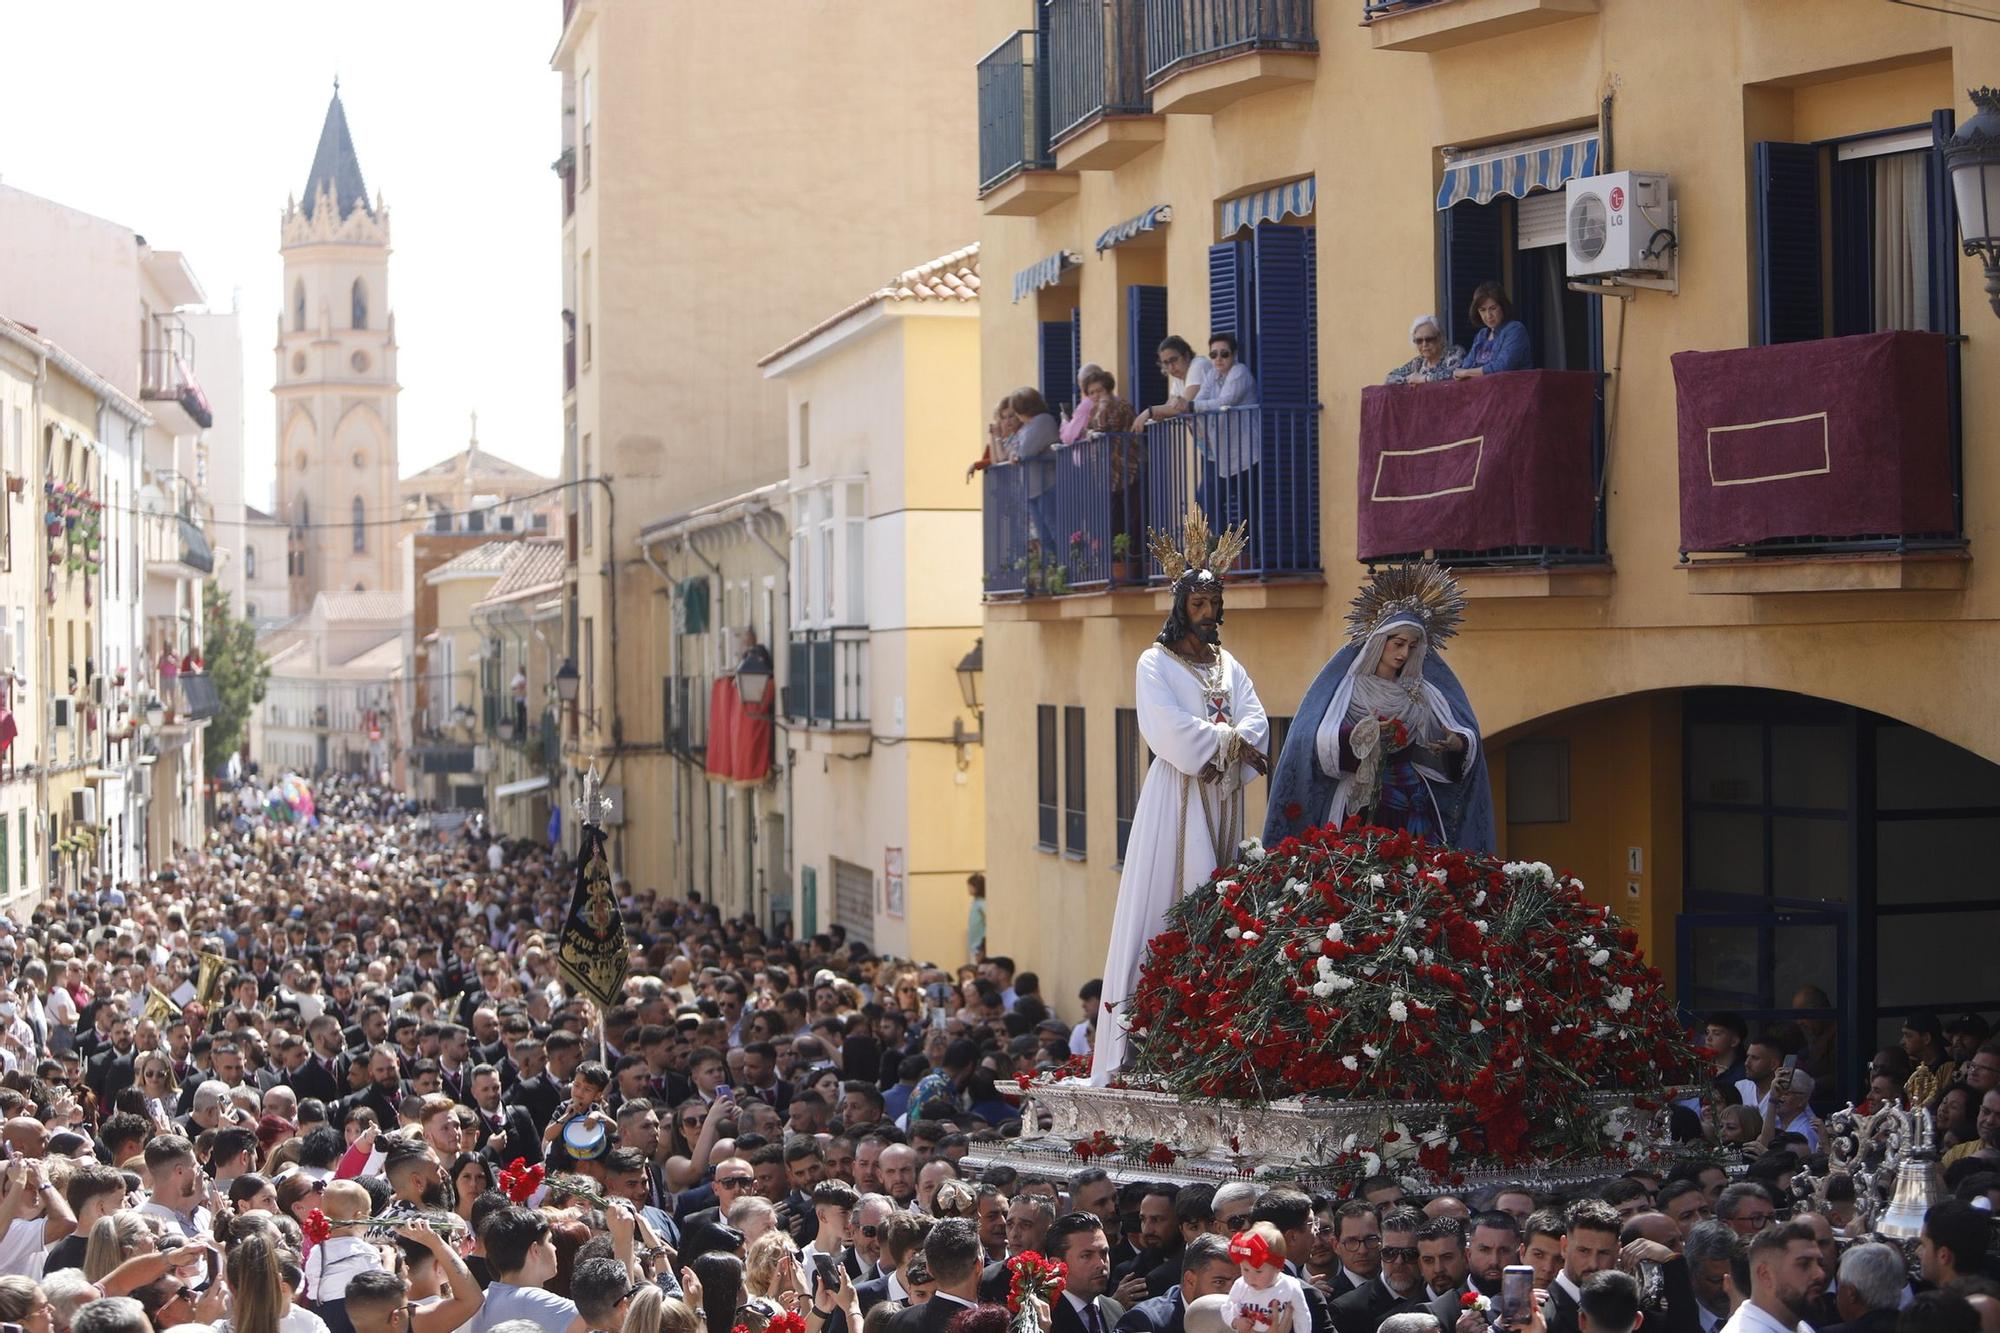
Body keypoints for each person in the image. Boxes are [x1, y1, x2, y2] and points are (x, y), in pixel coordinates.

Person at [1089, 511, 1269, 1085]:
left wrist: (1237, 742)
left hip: (1222, 797)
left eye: (1214, 603)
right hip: (1179, 794)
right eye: (1199, 604)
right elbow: (1166, 728)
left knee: (1223, 894)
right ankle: (1153, 1026)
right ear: (1180, 606)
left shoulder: (1228, 663)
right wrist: (1228, 745)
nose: (1209, 612)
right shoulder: (1154, 662)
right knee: (1172, 889)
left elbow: (1256, 718)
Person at [1265, 562, 1494, 851]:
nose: (1403, 653)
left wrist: (1455, 743)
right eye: (1397, 643)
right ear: (1378, 642)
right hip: (1359, 802)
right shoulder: (1348, 688)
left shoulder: (1420, 693)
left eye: (1411, 647)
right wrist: (1365, 733)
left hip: (1413, 800)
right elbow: (1313, 740)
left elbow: (1450, 736)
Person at [1720, 1220, 1823, 1333]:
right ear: (1766, 1275)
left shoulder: (1800, 1327)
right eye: (1804, 1264)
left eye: (1819, 1262)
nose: (1819, 1274)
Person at [1221, 1224, 1308, 1333]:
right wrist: (1235, 1322)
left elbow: (1302, 1315)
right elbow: (1226, 1307)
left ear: (1277, 1268)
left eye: (1258, 1271)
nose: (1250, 1277)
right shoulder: (1241, 1285)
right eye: (1245, 1269)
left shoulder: (1290, 1286)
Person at [1452, 283, 1531, 378]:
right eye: (1482, 310)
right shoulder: (1482, 335)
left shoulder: (1515, 330)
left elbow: (1502, 366)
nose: (1488, 315)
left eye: (1493, 308)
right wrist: (1463, 372)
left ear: (1503, 307)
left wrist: (1466, 373)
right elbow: (1466, 365)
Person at [1134, 337, 1211, 428]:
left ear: (1186, 356)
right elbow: (1169, 406)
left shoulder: (1199, 365)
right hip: (1206, 436)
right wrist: (1161, 412)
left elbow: (1183, 405)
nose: (1170, 367)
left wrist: (1150, 411)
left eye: (1173, 360)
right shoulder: (1179, 378)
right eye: (1166, 363)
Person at [1385, 316, 1463, 385]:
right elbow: (1390, 378)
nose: (1424, 344)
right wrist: (1409, 379)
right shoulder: (1418, 362)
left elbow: (1455, 373)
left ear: (1440, 338)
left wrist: (1424, 379)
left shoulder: (1454, 353)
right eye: (1419, 341)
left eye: (1429, 339)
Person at [1061, 366, 1107, 445]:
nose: (1096, 395)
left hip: (1089, 454)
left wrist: (1064, 422)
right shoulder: (1115, 400)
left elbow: (1069, 437)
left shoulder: (1086, 405)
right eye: (1092, 392)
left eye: (1099, 390)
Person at [964, 877, 986, 966]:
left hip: (979, 946)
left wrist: (983, 945)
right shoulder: (975, 902)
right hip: (973, 946)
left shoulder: (982, 903)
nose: (968, 889)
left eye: (970, 886)